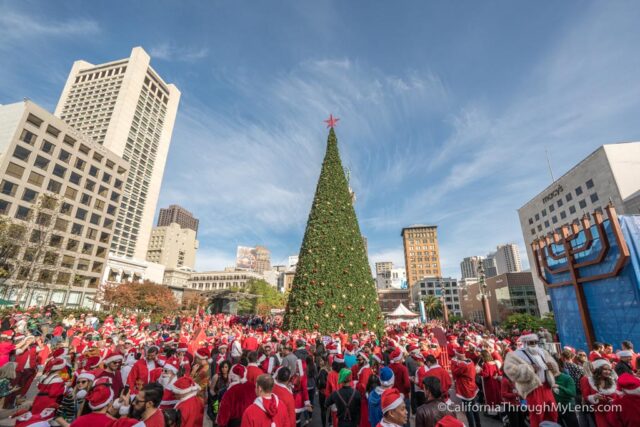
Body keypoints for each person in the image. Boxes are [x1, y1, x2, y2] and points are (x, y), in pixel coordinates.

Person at [503, 334, 558, 427]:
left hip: (547, 387)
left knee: (552, 414)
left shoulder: (542, 352)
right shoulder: (516, 354)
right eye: (532, 343)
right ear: (525, 343)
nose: (534, 344)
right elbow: (509, 370)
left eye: (536, 342)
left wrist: (552, 367)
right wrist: (530, 369)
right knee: (537, 416)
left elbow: (554, 367)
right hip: (533, 389)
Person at [580, 359, 620, 427]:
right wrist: (594, 397)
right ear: (598, 369)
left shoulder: (612, 380)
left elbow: (618, 396)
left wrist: (614, 401)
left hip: (614, 413)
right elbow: (586, 396)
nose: (607, 372)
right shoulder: (588, 380)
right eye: (605, 369)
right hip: (600, 413)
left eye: (609, 370)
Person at [450, 349, 480, 427]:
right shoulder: (470, 361)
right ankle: (478, 424)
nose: (455, 355)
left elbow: (454, 371)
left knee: (468, 410)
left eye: (456, 354)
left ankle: (471, 425)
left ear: (459, 355)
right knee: (474, 407)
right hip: (471, 387)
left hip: (465, 389)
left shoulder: (462, 365)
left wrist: (453, 363)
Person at [551, 358, 579, 427]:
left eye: (552, 365)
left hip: (567, 408)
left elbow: (572, 393)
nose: (550, 367)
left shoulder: (567, 378)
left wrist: (559, 387)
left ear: (558, 365)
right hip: (554, 409)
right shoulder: (546, 379)